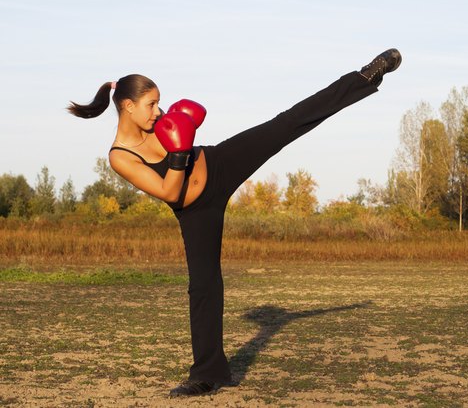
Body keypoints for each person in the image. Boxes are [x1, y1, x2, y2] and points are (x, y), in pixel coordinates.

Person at [67, 49, 402, 397]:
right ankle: (208, 374)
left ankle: (363, 77)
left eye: (159, 103)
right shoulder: (120, 156)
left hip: (218, 162)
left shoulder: (155, 122)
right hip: (196, 211)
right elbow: (169, 191)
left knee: (285, 125)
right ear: (128, 106)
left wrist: (187, 141)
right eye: (152, 104)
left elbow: (184, 140)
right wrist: (180, 149)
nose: (159, 111)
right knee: (203, 286)